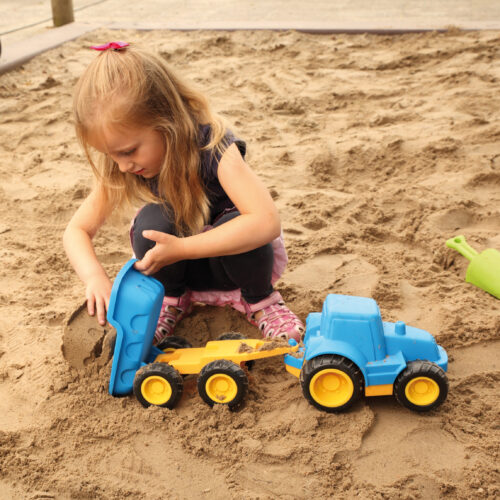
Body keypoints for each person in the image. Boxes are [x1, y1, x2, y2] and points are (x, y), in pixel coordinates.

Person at [63, 41, 304, 345]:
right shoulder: (126, 165)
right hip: (182, 272)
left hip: (237, 266)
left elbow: (266, 221)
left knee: (238, 222)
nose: (122, 166)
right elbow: (76, 229)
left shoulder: (213, 147)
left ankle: (261, 303)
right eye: (112, 156)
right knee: (151, 225)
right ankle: (172, 301)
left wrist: (182, 248)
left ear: (167, 121)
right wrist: (95, 277)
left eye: (129, 151)